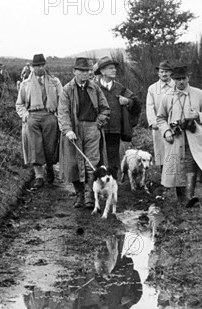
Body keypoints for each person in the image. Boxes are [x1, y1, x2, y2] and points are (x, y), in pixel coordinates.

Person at [156, 65, 202, 207]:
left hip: (194, 136)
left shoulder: (198, 94)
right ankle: (182, 198)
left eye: (184, 78)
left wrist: (198, 115)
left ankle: (189, 196)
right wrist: (166, 131)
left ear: (188, 78)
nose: (181, 82)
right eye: (178, 79)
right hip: (175, 137)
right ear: (173, 79)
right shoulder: (167, 97)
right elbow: (160, 118)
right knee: (178, 165)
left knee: (191, 164)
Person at [58, 57, 111, 208]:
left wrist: (97, 123)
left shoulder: (95, 88)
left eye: (87, 71)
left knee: (91, 162)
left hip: (91, 129)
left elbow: (105, 109)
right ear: (74, 71)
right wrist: (67, 130)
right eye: (81, 71)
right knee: (74, 164)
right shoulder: (67, 90)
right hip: (74, 129)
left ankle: (89, 195)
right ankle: (79, 195)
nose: (84, 74)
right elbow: (63, 112)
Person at [16, 53, 63, 188]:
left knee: (50, 146)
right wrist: (26, 116)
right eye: (36, 66)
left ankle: (49, 167)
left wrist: (59, 116)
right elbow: (19, 104)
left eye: (42, 65)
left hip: (49, 115)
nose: (39, 68)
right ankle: (39, 176)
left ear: (45, 65)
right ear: (32, 67)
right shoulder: (26, 83)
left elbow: (62, 101)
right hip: (33, 116)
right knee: (34, 147)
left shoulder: (55, 82)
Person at [94, 56, 141, 175]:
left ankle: (114, 182)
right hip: (98, 129)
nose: (114, 70)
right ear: (102, 71)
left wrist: (127, 101)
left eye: (114, 68)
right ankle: (99, 181)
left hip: (115, 129)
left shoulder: (120, 88)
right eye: (110, 68)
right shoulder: (94, 88)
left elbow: (135, 102)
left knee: (113, 155)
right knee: (98, 155)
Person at [146, 60, 174, 171]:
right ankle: (164, 179)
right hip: (159, 124)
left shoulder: (176, 86)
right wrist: (153, 122)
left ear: (171, 73)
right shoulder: (152, 88)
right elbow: (150, 106)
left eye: (167, 71)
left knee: (174, 150)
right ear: (158, 73)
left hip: (174, 123)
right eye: (162, 72)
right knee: (162, 152)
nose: (164, 74)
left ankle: (178, 182)